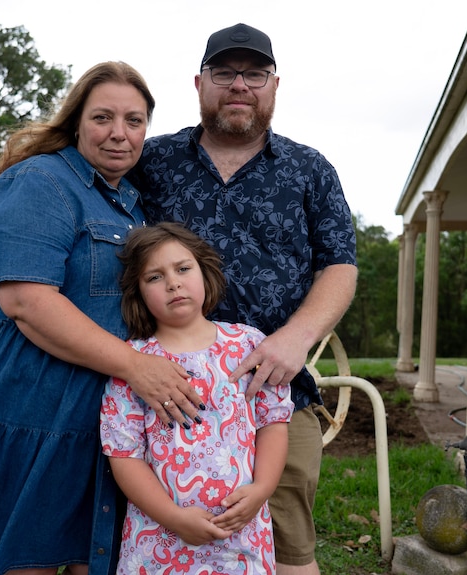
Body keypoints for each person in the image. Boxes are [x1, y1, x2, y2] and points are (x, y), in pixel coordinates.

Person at [0, 61, 204, 575]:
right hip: (36, 402)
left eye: (134, 121)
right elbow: (26, 302)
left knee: (92, 559)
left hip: (102, 410)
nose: (119, 133)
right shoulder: (39, 182)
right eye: (103, 117)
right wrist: (136, 367)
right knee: (30, 560)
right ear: (76, 122)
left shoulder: (130, 205)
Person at [131, 24, 358, 575]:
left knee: (288, 551)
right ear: (199, 83)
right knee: (158, 543)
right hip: (161, 394)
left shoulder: (310, 170)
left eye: (254, 74)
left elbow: (340, 265)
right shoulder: (151, 161)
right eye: (225, 72)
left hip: (272, 394)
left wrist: (296, 339)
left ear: (274, 85)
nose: (239, 85)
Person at [100, 222, 293, 575]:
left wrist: (262, 489)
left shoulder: (249, 346)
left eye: (183, 269)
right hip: (158, 540)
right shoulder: (134, 364)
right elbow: (124, 455)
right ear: (138, 292)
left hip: (242, 535)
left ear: (205, 272)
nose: (173, 283)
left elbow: (273, 424)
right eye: (154, 277)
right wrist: (173, 518)